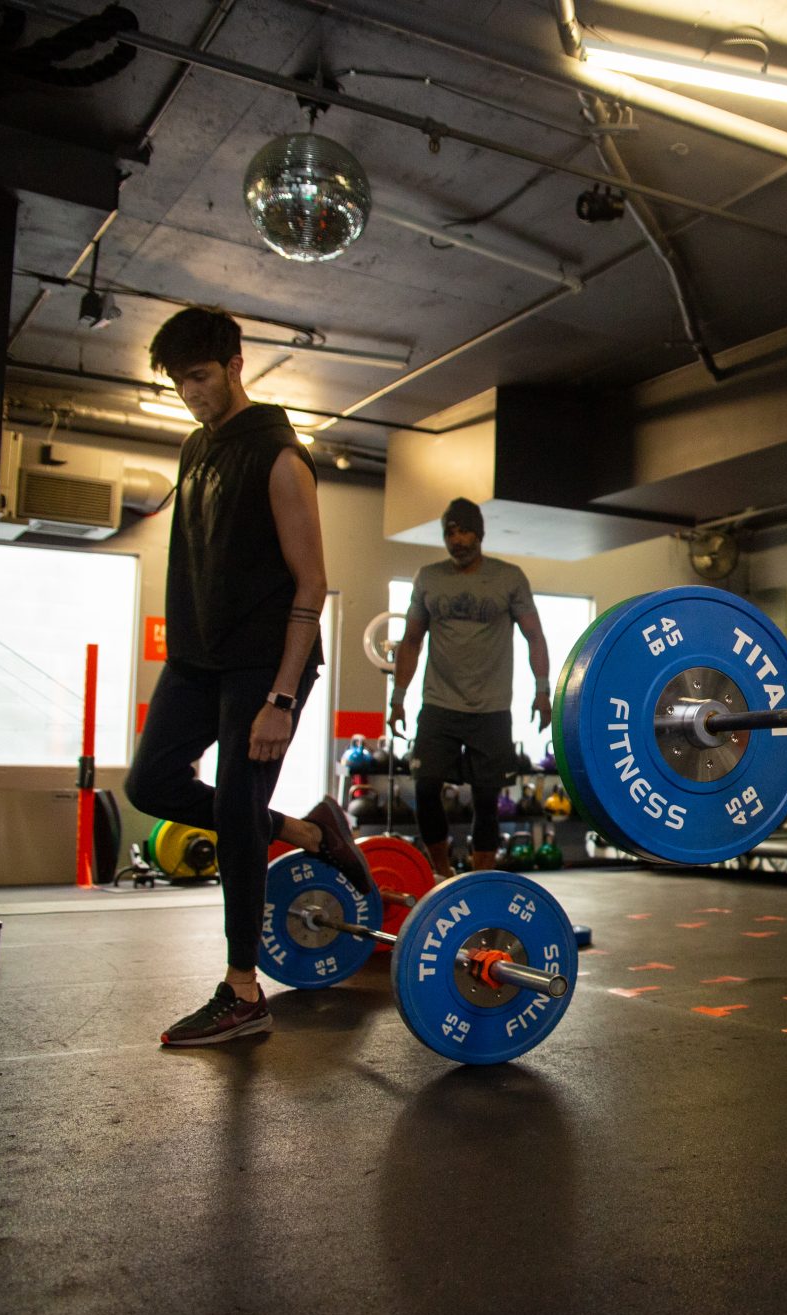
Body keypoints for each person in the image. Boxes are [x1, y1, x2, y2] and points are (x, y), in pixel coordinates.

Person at [126, 307, 377, 1048]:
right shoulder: (196, 448)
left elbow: (312, 583)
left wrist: (281, 699)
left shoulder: (280, 457)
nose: (190, 394)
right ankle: (307, 830)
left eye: (200, 377)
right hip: (196, 659)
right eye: (179, 383)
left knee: (237, 810)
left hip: (263, 667)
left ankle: (242, 991)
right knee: (150, 784)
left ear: (236, 366)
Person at [387, 498, 552, 876]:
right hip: (439, 703)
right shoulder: (428, 578)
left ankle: (481, 880)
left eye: (464, 531)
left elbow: (535, 636)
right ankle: (442, 873)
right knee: (425, 786)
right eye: (450, 532)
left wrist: (542, 691)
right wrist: (398, 698)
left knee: (486, 798)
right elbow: (410, 641)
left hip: (491, 707)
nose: (457, 540)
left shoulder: (509, 577)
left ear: (479, 533)